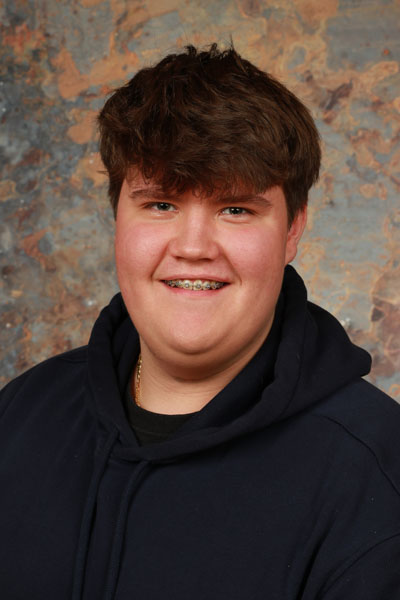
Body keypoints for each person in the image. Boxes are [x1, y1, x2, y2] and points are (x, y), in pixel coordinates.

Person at [1, 43, 400, 600]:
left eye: (235, 209)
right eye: (161, 204)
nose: (192, 248)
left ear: (292, 230)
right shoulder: (20, 415)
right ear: (117, 218)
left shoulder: (376, 473)